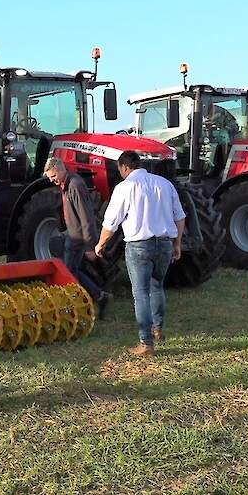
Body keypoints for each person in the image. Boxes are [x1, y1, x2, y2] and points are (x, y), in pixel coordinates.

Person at [94, 151, 186, 357]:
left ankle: (146, 342)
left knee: (141, 293)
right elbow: (179, 217)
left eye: (120, 171)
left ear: (125, 167)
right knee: (157, 287)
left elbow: (111, 222)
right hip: (164, 244)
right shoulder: (164, 184)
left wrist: (100, 243)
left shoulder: (124, 187)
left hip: (138, 246)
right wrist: (177, 243)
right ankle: (158, 329)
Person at [42, 157, 110, 315]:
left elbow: (86, 217)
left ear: (60, 170)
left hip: (78, 238)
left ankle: (82, 304)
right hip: (72, 235)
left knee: (68, 271)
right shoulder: (66, 184)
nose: (52, 180)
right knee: (71, 269)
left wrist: (89, 246)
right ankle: (97, 296)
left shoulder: (75, 185)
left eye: (53, 177)